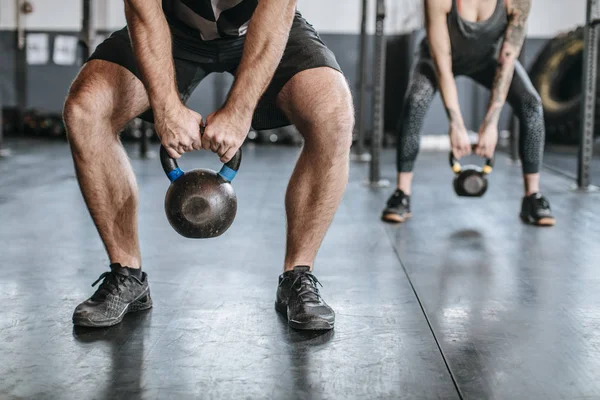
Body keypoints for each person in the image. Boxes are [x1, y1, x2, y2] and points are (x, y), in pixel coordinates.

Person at [63, 0, 354, 330]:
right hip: (171, 26)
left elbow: (276, 15)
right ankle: (127, 274)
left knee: (334, 116)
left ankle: (297, 277)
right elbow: (143, 14)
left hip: (261, 27)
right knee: (86, 111)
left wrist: (239, 113)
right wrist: (167, 109)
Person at [382, 0, 555, 226]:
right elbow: (442, 65)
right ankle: (402, 193)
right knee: (415, 100)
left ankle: (532, 196)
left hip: (489, 60)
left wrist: (491, 123)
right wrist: (456, 124)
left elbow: (507, 61)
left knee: (531, 103)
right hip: (438, 59)